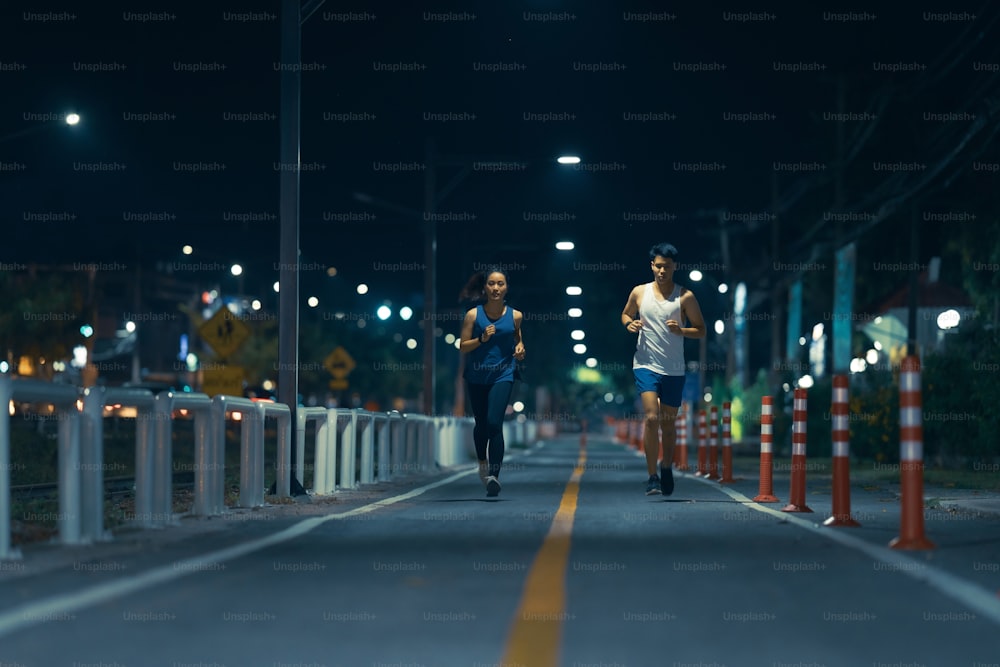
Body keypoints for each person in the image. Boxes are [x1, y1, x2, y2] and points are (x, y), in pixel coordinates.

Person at [621, 243, 706, 496]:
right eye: (658, 266)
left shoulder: (685, 297)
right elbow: (625, 314)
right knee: (651, 417)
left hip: (674, 369)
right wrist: (629, 324)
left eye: (666, 267)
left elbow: (701, 330)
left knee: (668, 424)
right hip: (645, 364)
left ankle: (666, 466)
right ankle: (652, 477)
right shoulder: (639, 292)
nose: (662, 271)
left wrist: (682, 330)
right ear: (651, 266)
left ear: (674, 267)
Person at [459, 267, 526, 497]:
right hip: (477, 375)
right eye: (491, 284)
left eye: (500, 284)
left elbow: (518, 341)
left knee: (494, 423)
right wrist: (482, 338)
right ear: (485, 287)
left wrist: (520, 349)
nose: (496, 288)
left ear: (506, 287)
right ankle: (482, 463)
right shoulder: (473, 315)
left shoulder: (516, 316)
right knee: (481, 425)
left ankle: (494, 477)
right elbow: (463, 346)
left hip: (503, 374)